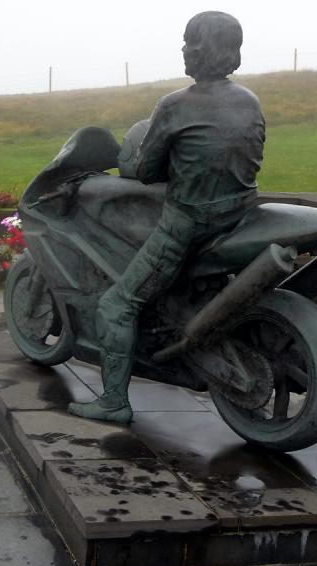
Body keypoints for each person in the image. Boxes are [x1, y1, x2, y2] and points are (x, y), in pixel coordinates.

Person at [68, 11, 266, 423]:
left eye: (189, 40)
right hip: (239, 214)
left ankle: (114, 402)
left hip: (189, 224)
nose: (184, 49)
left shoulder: (175, 105)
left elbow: (142, 171)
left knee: (116, 307)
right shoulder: (249, 100)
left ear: (204, 49)